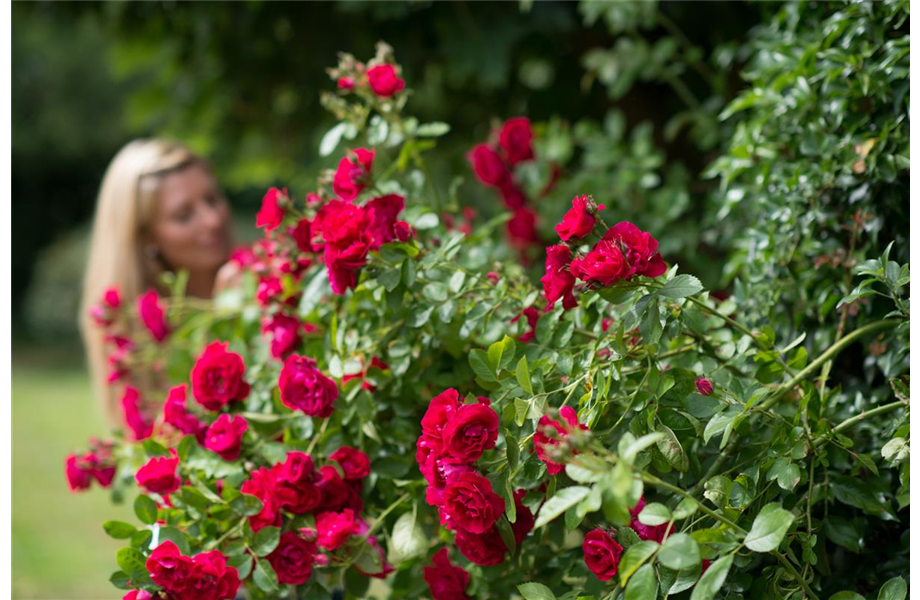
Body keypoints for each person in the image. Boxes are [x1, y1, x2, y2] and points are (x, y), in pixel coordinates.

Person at [79, 139, 239, 426]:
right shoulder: (138, 341)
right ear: (146, 237)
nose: (213, 220)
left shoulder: (265, 280)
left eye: (212, 199)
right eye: (184, 215)